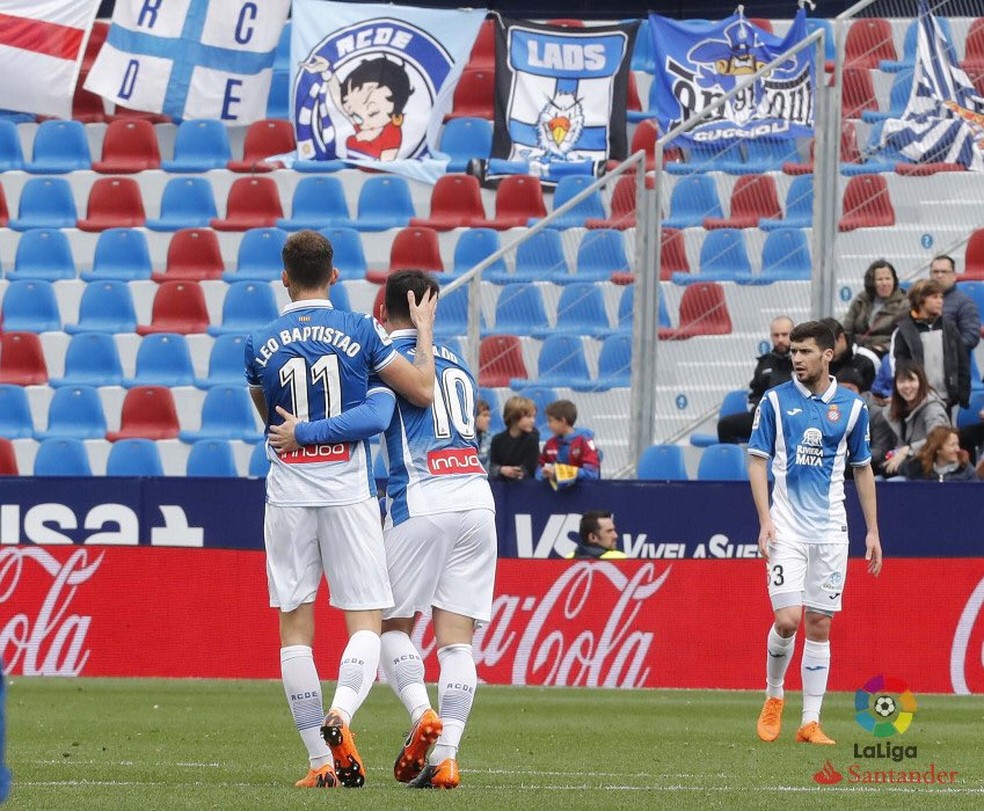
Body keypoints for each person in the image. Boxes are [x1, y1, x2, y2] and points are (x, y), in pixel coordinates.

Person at [271, 270, 497, 790]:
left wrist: (304, 432)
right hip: (477, 500)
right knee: (456, 643)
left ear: (382, 307)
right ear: (430, 309)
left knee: (388, 626)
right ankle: (446, 756)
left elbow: (386, 408)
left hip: (421, 498)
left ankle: (417, 713)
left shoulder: (382, 355)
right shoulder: (456, 359)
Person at [245, 230, 437, 789]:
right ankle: (341, 712)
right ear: (334, 276)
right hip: (348, 491)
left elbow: (269, 415)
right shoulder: (361, 330)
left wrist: (297, 433)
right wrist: (421, 336)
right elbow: (421, 391)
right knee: (365, 619)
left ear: (284, 277)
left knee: (294, 627)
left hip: (287, 493)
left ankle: (318, 762)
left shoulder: (258, 340)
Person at [748, 320, 882, 746]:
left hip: (831, 530)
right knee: (788, 621)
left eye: (805, 351)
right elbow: (757, 461)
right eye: (793, 352)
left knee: (820, 623)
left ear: (828, 355)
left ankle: (810, 721)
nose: (797, 358)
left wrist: (873, 531)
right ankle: (774, 696)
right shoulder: (773, 401)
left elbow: (861, 468)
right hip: (786, 527)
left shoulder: (853, 408)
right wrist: (765, 519)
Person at [890, 278, 970, 411]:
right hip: (918, 401)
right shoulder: (903, 331)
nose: (940, 301)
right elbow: (899, 366)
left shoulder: (949, 328)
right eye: (934, 297)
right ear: (920, 300)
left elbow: (962, 362)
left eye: (941, 297)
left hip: (949, 400)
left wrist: (962, 394)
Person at [717, 316, 794, 444]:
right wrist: (758, 408)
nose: (780, 339)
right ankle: (735, 462)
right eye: (776, 335)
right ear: (771, 336)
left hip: (792, 418)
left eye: (785, 335)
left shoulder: (802, 361)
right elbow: (754, 393)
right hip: (764, 417)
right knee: (725, 426)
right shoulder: (764, 362)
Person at [869, 360, 950, 478]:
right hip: (905, 468)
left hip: (930, 471)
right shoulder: (892, 411)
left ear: (921, 382)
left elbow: (940, 438)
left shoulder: (933, 409)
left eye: (911, 380)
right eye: (901, 381)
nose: (907, 386)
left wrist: (908, 450)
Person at [841, 259, 909, 357]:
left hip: (885, 352)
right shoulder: (861, 300)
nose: (884, 283)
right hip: (858, 349)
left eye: (888, 279)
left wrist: (884, 347)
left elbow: (905, 337)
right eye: (880, 279)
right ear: (871, 282)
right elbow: (846, 330)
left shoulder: (904, 304)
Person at [537, 399, 601, 487]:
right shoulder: (550, 444)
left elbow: (592, 474)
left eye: (550, 421)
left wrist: (560, 473)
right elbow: (540, 468)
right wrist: (544, 473)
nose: (548, 425)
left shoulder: (584, 441)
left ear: (563, 421)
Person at [930, 254, 981, 355]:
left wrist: (945, 349)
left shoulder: (965, 303)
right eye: (935, 272)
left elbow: (971, 337)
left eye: (944, 272)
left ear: (954, 276)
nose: (939, 275)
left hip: (952, 362)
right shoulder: (920, 300)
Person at [900, 425, 980, 482]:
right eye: (952, 445)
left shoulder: (965, 469)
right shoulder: (917, 467)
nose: (958, 449)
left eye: (957, 444)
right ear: (937, 449)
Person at [488, 396, 540, 481]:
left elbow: (531, 467)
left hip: (524, 485)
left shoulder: (533, 438)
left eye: (533, 416)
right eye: (528, 416)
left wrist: (517, 472)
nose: (532, 420)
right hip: (502, 485)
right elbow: (492, 465)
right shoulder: (497, 440)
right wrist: (502, 470)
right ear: (514, 417)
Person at [820, 317, 876, 393]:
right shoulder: (818, 361)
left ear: (841, 338)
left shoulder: (866, 359)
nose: (827, 353)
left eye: (830, 347)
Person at [475, 399, 492, 471]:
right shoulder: (463, 440)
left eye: (489, 416)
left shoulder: (489, 437)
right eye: (484, 415)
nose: (489, 419)